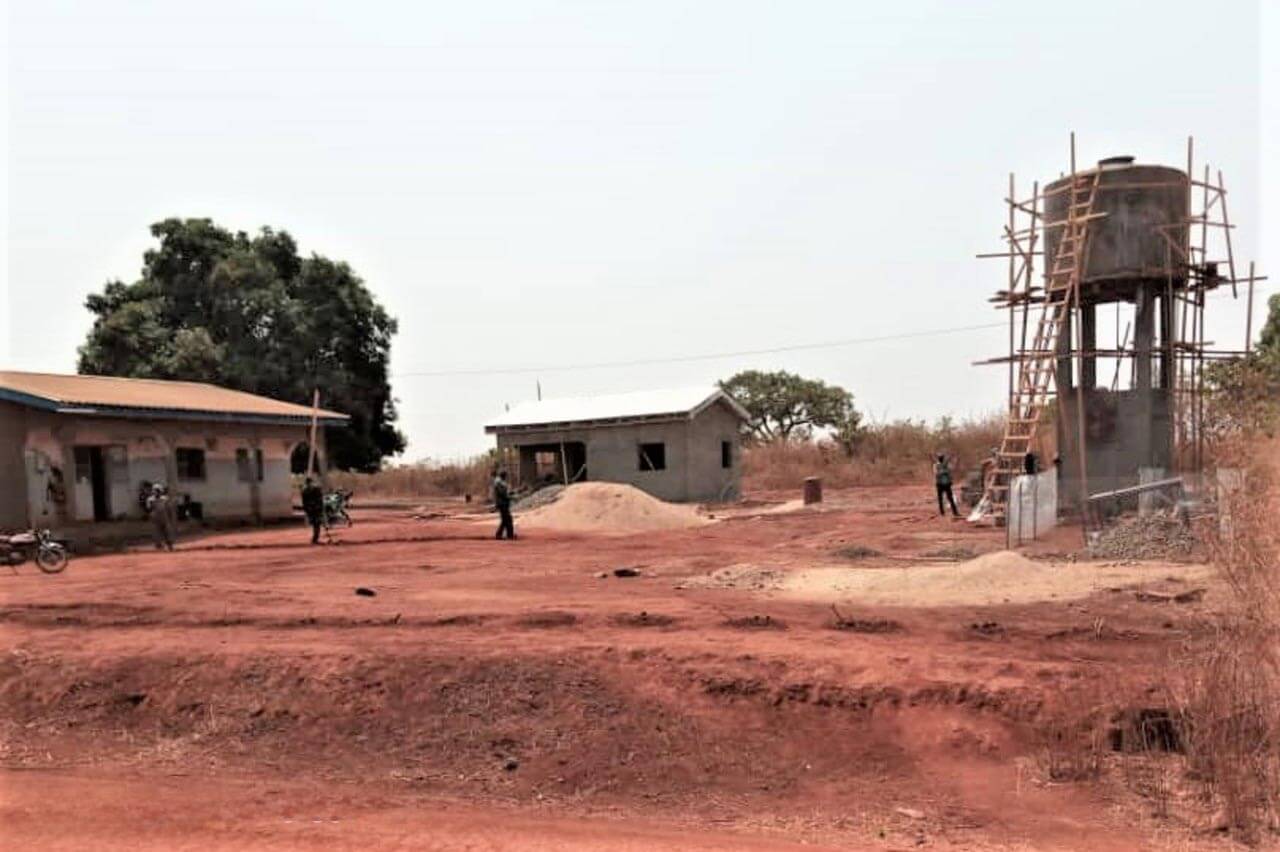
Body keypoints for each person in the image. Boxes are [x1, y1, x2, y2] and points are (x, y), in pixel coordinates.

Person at [145, 484, 175, 551]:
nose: (155, 492)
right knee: (156, 533)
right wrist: (150, 515)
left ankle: (170, 545)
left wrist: (170, 517)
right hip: (155, 518)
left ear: (160, 491)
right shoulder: (150, 500)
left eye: (157, 490)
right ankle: (158, 546)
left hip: (164, 518)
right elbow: (148, 509)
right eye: (154, 490)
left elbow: (169, 508)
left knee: (167, 532)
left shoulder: (165, 499)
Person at [933, 453, 959, 518]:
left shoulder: (944, 465)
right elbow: (936, 474)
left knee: (949, 499)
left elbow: (950, 471)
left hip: (945, 484)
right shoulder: (937, 465)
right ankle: (943, 513)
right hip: (941, 484)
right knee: (942, 499)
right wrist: (944, 471)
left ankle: (954, 512)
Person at [493, 470, 516, 540]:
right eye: (505, 476)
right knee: (507, 519)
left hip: (503, 503)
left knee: (506, 519)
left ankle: (508, 534)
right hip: (502, 503)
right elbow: (503, 494)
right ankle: (506, 535)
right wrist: (511, 497)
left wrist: (511, 493)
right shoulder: (499, 483)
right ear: (503, 476)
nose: (506, 477)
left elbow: (504, 493)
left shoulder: (500, 482)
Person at [301, 477, 325, 545]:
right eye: (308, 483)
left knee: (317, 524)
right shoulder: (305, 491)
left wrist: (320, 508)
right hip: (311, 510)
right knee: (315, 524)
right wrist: (307, 510)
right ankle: (315, 539)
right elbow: (304, 502)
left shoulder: (316, 490)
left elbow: (320, 500)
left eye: (309, 483)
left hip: (316, 510)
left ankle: (315, 538)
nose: (309, 484)